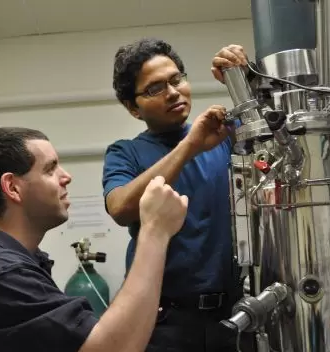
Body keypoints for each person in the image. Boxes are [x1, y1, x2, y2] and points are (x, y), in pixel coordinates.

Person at [0, 126, 190, 352]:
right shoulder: (0, 272)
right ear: (12, 187)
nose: (66, 176)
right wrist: (155, 231)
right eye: (50, 168)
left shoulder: (12, 263)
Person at [102, 39, 254, 351]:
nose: (172, 92)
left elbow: (273, 133)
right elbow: (120, 208)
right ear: (134, 108)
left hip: (233, 315)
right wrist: (190, 146)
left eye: (176, 79)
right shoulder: (125, 152)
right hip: (166, 324)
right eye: (154, 88)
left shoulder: (225, 135)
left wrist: (245, 80)